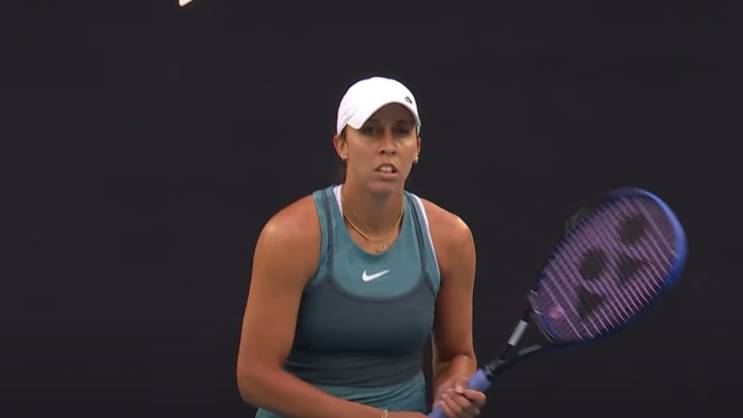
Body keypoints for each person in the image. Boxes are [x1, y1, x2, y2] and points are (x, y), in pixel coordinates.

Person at [236, 76, 486, 418]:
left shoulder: (450, 238)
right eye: (370, 131)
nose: (388, 145)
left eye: (401, 131)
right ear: (342, 145)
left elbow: (457, 354)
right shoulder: (289, 237)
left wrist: (452, 388)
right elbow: (254, 379)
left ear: (416, 147)